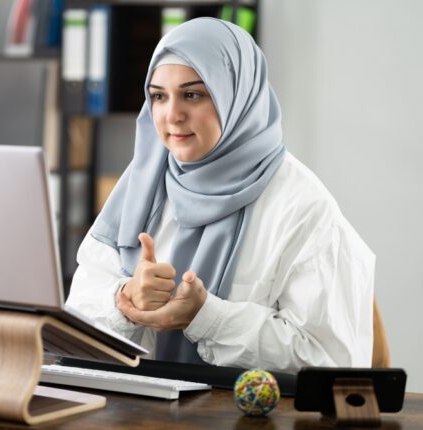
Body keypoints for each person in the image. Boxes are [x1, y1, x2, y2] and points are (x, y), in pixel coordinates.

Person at [65, 17, 375, 372]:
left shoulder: (304, 208)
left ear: (238, 96)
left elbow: (334, 362)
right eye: (158, 96)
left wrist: (207, 318)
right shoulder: (141, 183)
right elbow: (77, 313)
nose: (172, 116)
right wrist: (125, 300)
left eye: (193, 94)